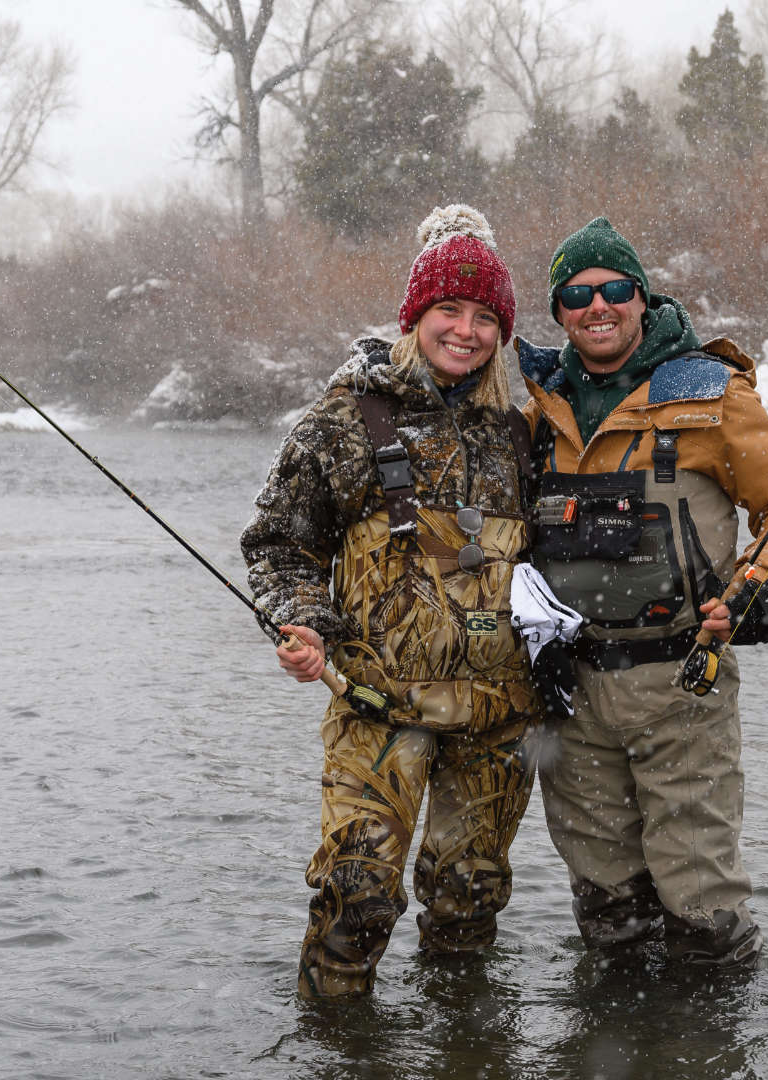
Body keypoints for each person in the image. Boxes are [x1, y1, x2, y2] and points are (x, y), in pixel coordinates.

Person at [241, 205, 541, 1000]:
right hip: (377, 708)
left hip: (498, 718)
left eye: (485, 318)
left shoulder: (524, 430)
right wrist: (302, 623)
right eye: (449, 310)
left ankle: (463, 1051)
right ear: (415, 316)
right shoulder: (346, 416)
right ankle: (337, 1048)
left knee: (468, 905)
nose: (466, 332)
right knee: (357, 898)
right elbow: (278, 544)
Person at [515, 217, 768, 965]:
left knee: (702, 916)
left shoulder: (713, 395)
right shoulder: (534, 409)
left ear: (642, 298)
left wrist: (763, 579)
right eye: (578, 295)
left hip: (684, 685)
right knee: (607, 913)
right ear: (558, 312)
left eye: (615, 290)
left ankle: (703, 1046)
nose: (599, 307)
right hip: (571, 696)